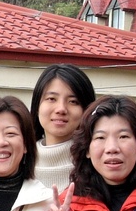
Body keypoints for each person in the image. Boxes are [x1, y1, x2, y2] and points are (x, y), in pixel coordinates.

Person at [30, 64, 94, 192]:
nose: (61, 109)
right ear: (37, 106)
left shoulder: (97, 166)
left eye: (73, 101)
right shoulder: (19, 163)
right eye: (51, 99)